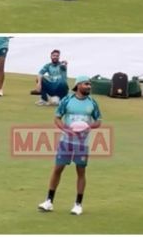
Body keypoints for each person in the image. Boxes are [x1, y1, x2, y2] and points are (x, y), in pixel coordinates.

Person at [38, 76, 102, 216]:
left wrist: (89, 126)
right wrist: (65, 129)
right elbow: (57, 118)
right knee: (58, 169)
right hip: (66, 142)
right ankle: (49, 201)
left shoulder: (92, 102)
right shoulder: (67, 100)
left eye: (90, 84)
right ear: (78, 85)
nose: (89, 86)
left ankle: (78, 204)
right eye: (86, 84)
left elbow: (98, 121)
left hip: (82, 144)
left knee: (81, 171)